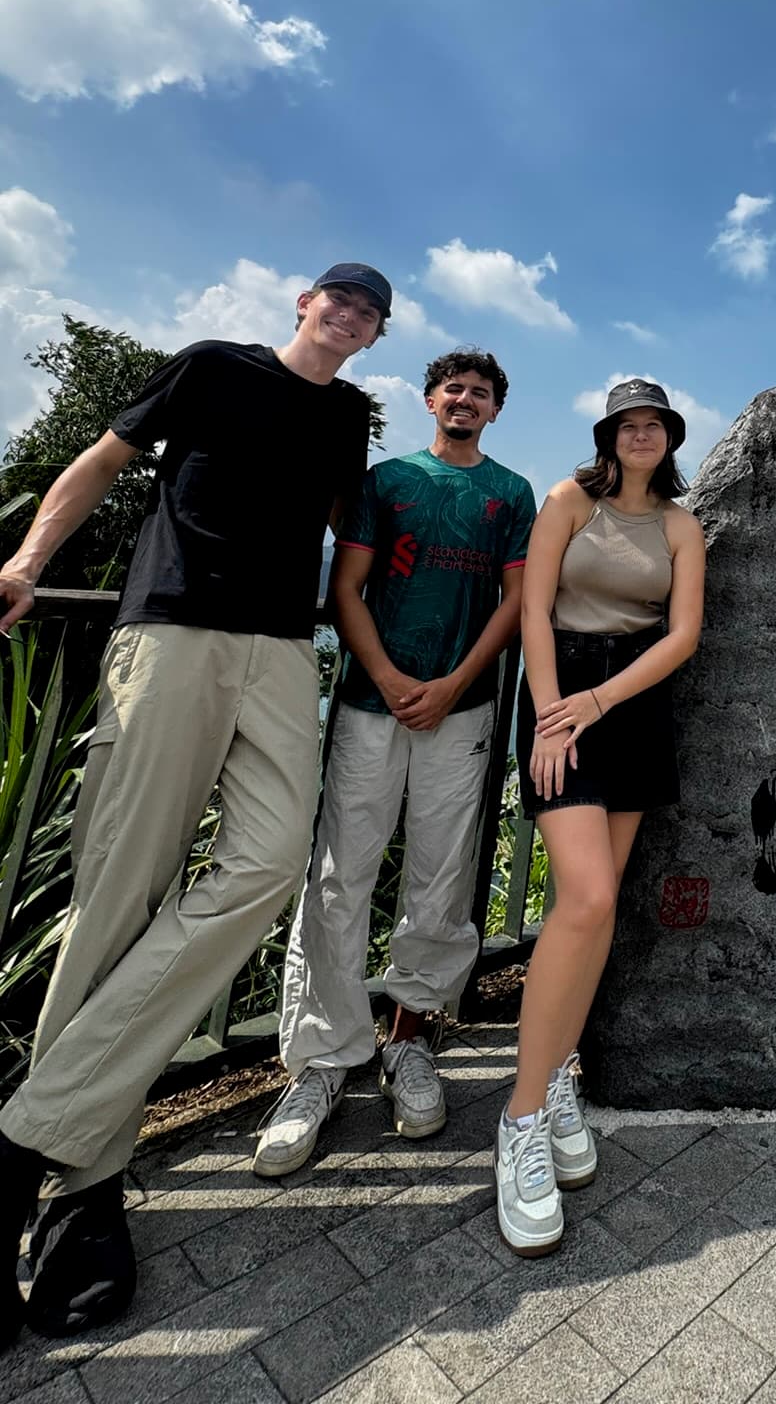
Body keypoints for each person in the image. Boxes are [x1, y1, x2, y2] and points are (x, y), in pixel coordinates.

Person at [0, 264, 386, 1344]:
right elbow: (99, 460)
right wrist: (30, 559)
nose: (353, 314)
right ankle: (80, 1191)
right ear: (303, 302)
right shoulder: (214, 366)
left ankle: (26, 1137)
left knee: (267, 863)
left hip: (277, 650)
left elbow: (342, 526)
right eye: (341, 296)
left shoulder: (348, 414)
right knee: (119, 892)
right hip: (168, 628)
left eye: (372, 310)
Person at [254, 348, 535, 1177]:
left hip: (465, 704)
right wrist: (385, 674)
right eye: (454, 387)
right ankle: (324, 1060)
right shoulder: (386, 483)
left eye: (482, 391)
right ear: (429, 399)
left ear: (495, 410)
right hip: (371, 702)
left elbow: (516, 600)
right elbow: (348, 590)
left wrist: (452, 684)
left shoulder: (509, 494)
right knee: (342, 872)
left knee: (443, 876)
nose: (466, 399)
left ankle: (410, 1039)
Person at [494, 379, 704, 1256]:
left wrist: (601, 702)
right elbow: (534, 612)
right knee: (582, 899)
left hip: (634, 703)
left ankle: (557, 1078)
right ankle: (519, 1118)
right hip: (561, 697)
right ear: (609, 434)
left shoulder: (683, 526)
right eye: (630, 422)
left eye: (655, 422)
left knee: (601, 908)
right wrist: (554, 712)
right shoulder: (567, 501)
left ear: (670, 436)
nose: (643, 432)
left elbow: (681, 634)